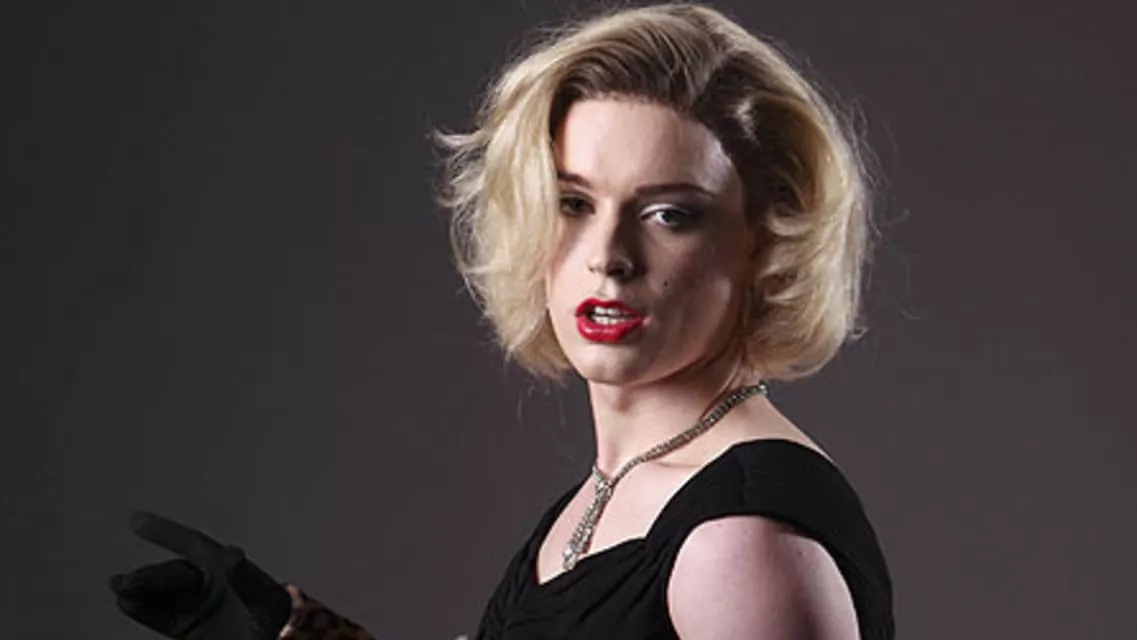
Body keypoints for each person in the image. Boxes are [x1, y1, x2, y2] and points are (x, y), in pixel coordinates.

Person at [109, 3, 894, 639]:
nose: (607, 257)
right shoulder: (617, 491)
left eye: (668, 214)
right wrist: (292, 631)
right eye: (572, 203)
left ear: (765, 240)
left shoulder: (737, 542)